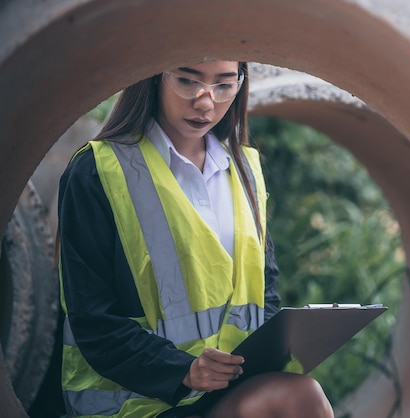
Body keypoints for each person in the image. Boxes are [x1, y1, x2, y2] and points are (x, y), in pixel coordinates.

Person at [57, 59, 334, 418]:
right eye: (188, 81)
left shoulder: (245, 168)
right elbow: (92, 320)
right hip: (137, 400)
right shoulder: (98, 171)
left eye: (223, 85)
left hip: (228, 385)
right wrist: (184, 370)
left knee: (303, 393)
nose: (205, 102)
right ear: (154, 75)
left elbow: (265, 290)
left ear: (241, 83)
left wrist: (284, 343)